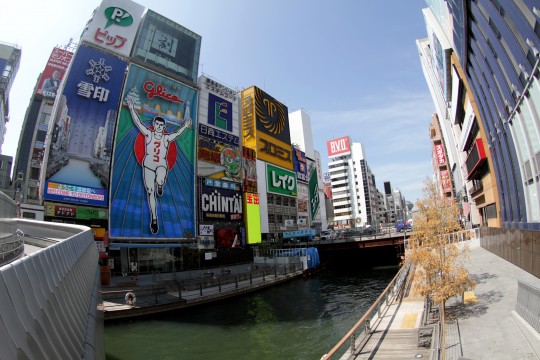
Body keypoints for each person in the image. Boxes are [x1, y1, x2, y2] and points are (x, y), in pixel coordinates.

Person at [127, 97, 192, 234]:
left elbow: (177, 133)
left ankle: (160, 184)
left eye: (161, 126)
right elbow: (138, 123)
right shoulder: (148, 134)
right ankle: (154, 219)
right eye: (157, 125)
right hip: (148, 166)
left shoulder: (166, 138)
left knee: (161, 179)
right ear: (154, 124)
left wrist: (185, 126)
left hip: (162, 165)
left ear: (163, 127)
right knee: (150, 192)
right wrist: (132, 108)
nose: (159, 127)